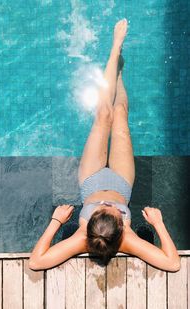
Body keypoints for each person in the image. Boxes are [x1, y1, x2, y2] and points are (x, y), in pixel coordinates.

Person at [29, 19, 180, 272]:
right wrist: (159, 224)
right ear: (122, 228)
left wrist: (56, 221)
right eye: (114, 212)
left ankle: (114, 50)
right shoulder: (127, 239)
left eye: (102, 210)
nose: (108, 206)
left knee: (103, 114)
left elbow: (36, 262)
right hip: (121, 181)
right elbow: (173, 264)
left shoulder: (82, 238)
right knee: (119, 112)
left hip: (92, 178)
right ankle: (118, 75)